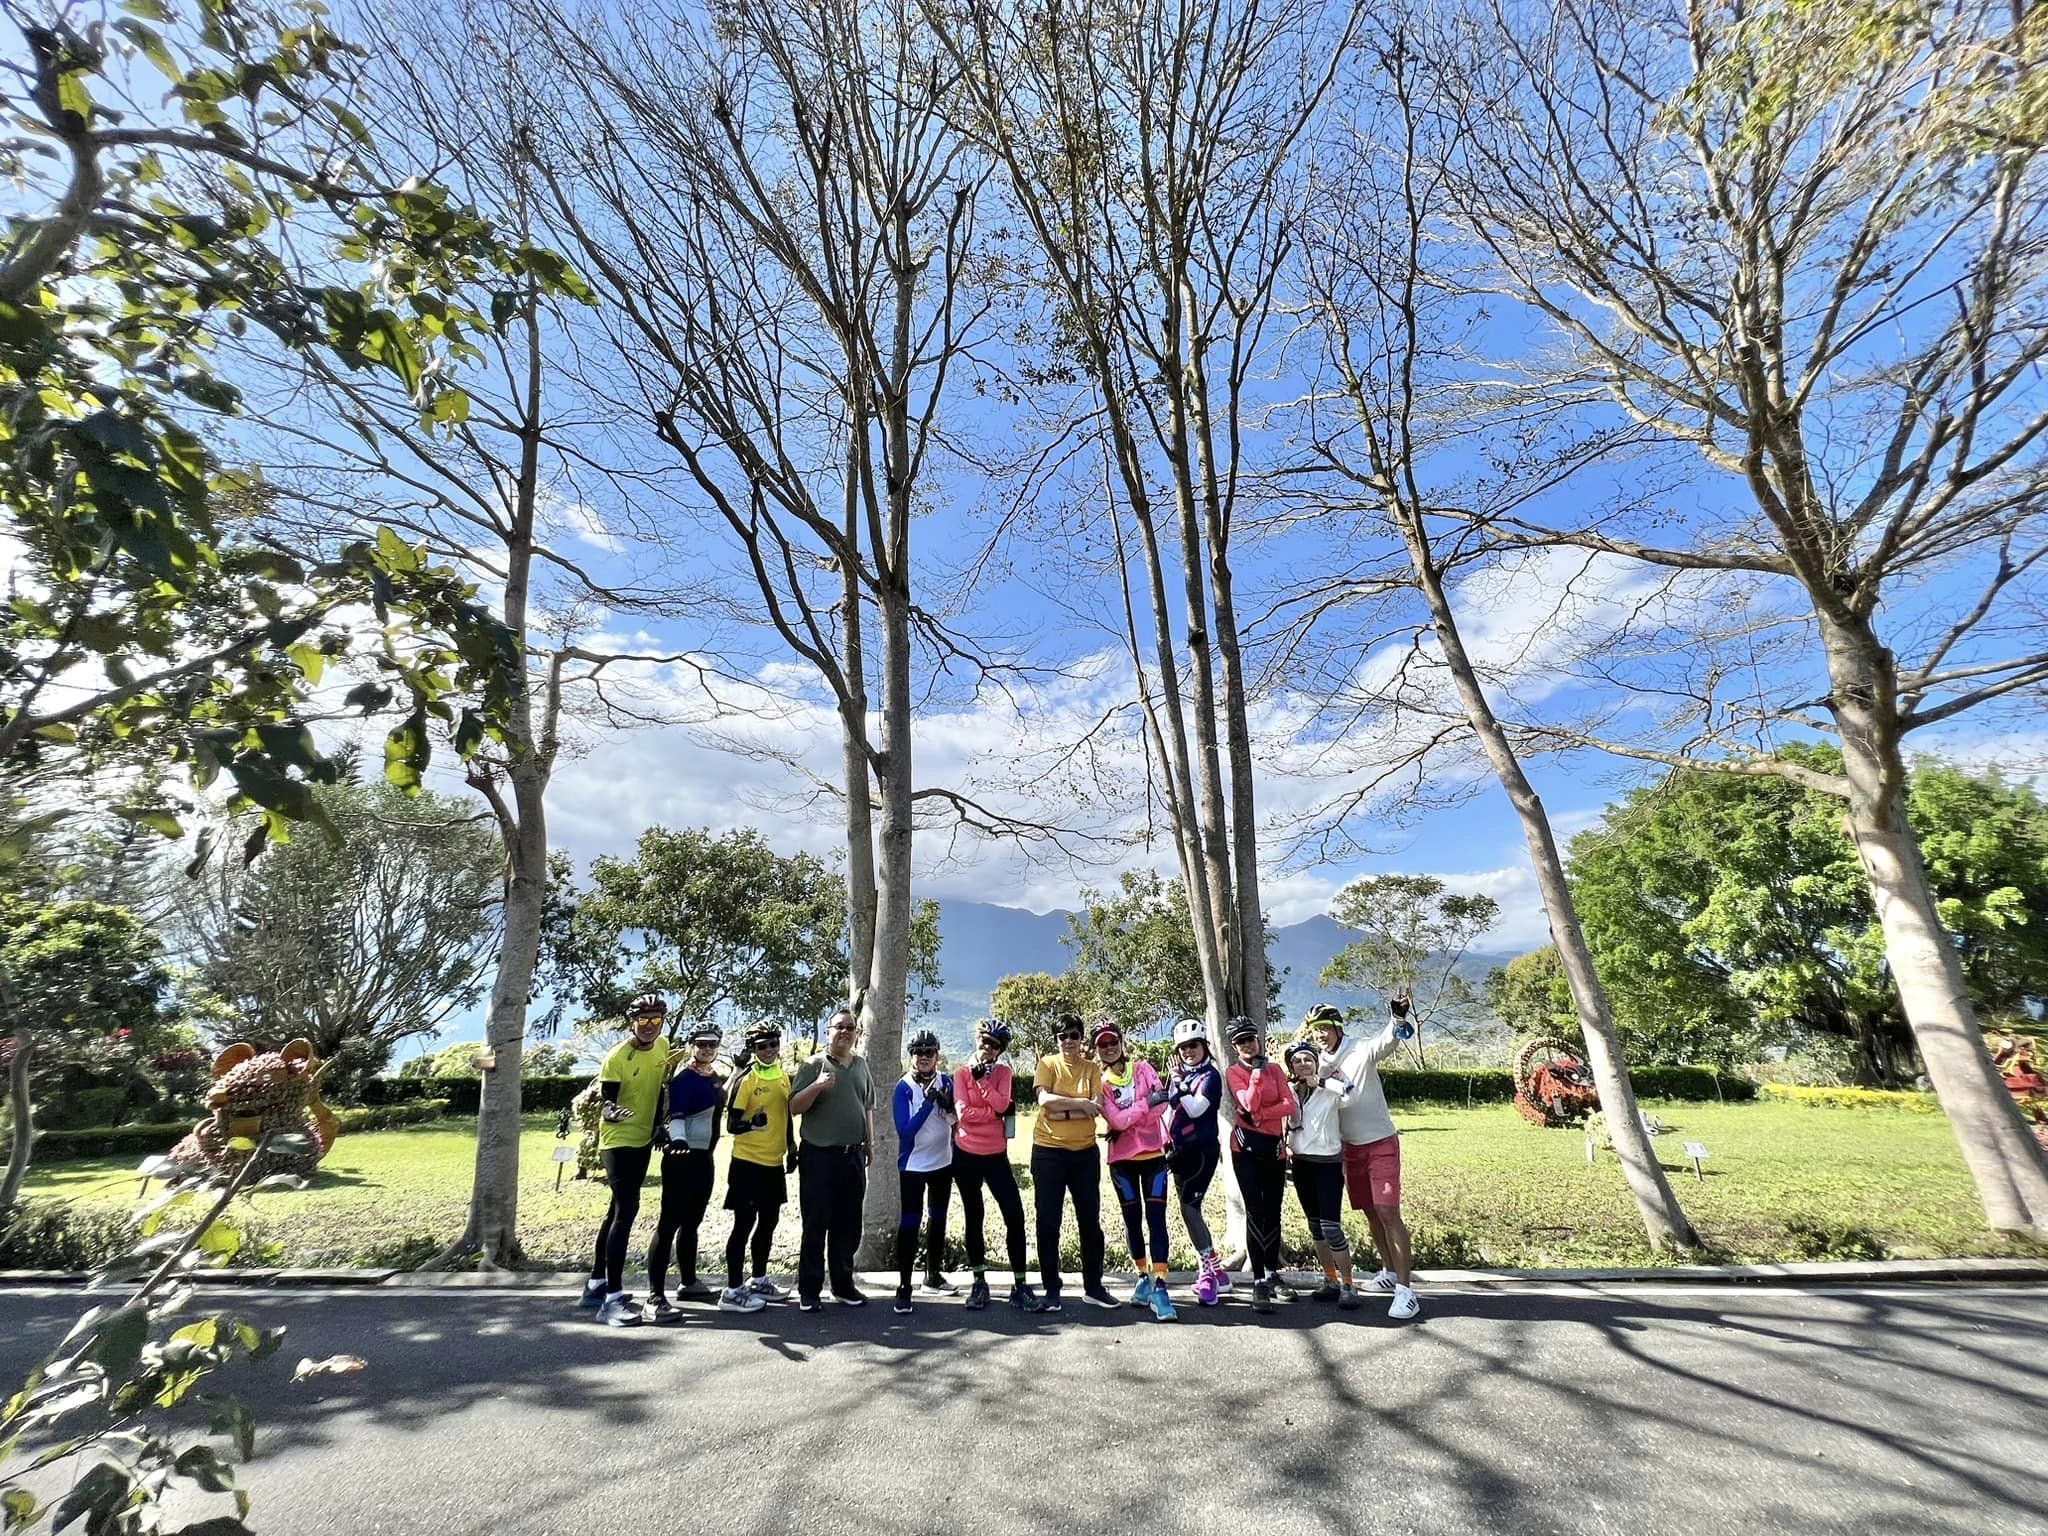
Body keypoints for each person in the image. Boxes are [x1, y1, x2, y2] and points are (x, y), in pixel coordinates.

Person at [1307, 998, 1420, 1320]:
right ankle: (1388, 1272)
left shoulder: (1361, 1049)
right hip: (1349, 1148)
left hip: (1380, 1142)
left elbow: (1388, 1041)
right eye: (1315, 1030)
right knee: (1370, 1212)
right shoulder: (1317, 1063)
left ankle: (1406, 1291)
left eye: (1325, 1028)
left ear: (1337, 1027)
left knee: (1388, 1212)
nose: (1321, 1035)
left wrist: (1397, 1017)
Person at [582, 993, 676, 1327]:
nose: (650, 1026)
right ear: (631, 1022)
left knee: (615, 1211)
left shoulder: (663, 1046)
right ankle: (611, 1301)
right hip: (618, 1141)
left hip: (644, 1139)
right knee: (626, 1211)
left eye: (656, 1020)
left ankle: (596, 1283)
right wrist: (612, 1112)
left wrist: (659, 1124)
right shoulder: (617, 1057)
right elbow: (606, 1103)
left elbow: (660, 1087)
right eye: (643, 1020)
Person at [788, 1005, 875, 1311]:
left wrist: (870, 1142)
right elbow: (794, 1107)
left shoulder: (861, 1065)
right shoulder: (813, 1065)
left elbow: (867, 1106)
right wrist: (817, 1086)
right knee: (816, 1223)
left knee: (848, 1225)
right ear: (828, 1032)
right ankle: (810, 1291)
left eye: (850, 1028)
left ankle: (843, 1286)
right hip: (819, 1157)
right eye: (839, 1027)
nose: (845, 1032)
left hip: (853, 1156)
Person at [1029, 1014, 1116, 1312]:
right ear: (1056, 1039)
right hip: (1048, 1152)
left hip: (1085, 1154)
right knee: (1048, 1222)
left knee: (1090, 1221)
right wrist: (1081, 1105)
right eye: (1062, 1036)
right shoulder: (1047, 1064)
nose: (1068, 1041)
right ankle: (1051, 1289)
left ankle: (1094, 1287)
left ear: (1082, 1039)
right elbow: (1044, 1102)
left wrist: (1062, 1109)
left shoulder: (1091, 1068)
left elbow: (1097, 1107)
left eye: (1074, 1035)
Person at [951, 1020, 1038, 1311]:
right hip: (966, 1154)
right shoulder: (961, 1073)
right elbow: (963, 1114)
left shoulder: (1004, 1073)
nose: (987, 1048)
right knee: (974, 1216)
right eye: (984, 1041)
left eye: (995, 1045)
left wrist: (983, 1084)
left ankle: (1020, 1284)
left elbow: (1003, 1106)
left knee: (1014, 1215)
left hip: (996, 1155)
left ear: (1000, 1051)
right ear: (977, 1039)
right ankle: (979, 1282)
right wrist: (992, 1111)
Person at [645, 1021, 726, 1321]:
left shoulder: (713, 1078)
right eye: (701, 1043)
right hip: (681, 1157)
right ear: (692, 1045)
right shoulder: (683, 1079)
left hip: (704, 1158)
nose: (706, 1049)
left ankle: (689, 1282)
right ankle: (655, 1296)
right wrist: (678, 1139)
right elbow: (677, 1115)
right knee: (669, 1224)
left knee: (692, 1222)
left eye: (712, 1044)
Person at [1096, 1022, 1176, 1322]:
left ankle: (1160, 1286)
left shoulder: (1143, 1069)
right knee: (1132, 1220)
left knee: (1157, 1219)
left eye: (1112, 1042)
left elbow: (1162, 1104)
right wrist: (1143, 1106)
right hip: (1121, 1161)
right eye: (1103, 1045)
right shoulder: (1101, 1083)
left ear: (1121, 1042)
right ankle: (1142, 1276)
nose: (1109, 1048)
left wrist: (1129, 1117)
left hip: (1153, 1155)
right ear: (1097, 1050)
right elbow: (1115, 1122)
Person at [719, 1020, 794, 1314]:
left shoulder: (783, 1076)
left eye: (774, 1044)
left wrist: (792, 1147)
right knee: (743, 1225)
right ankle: (732, 1290)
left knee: (769, 1222)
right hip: (747, 1163)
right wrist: (751, 1123)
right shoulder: (746, 1080)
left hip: (773, 1163)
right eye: (763, 1046)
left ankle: (759, 1280)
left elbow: (786, 1116)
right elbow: (731, 1124)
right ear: (753, 1049)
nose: (770, 1050)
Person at [1223, 1015, 1293, 1314]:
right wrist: (1254, 1075)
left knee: (1273, 1210)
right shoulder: (1234, 1072)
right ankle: (1259, 1280)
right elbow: (1248, 1104)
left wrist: (1262, 1115)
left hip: (1274, 1148)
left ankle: (1273, 1272)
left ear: (1258, 1039)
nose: (1248, 1045)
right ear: (1234, 1047)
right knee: (1255, 1211)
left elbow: (1289, 1105)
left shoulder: (1275, 1069)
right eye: (1241, 1042)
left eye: (1250, 1039)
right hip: (1245, 1149)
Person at [1284, 1038, 1360, 1312]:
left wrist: (1323, 1082)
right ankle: (1330, 1280)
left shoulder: (1331, 1086)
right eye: (1296, 1061)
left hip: (1328, 1164)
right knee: (1315, 1226)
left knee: (1331, 1227)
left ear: (1316, 1062)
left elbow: (1351, 1094)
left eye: (1308, 1059)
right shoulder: (1291, 1091)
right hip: (1301, 1164)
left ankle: (1348, 1284)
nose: (1303, 1064)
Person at [891, 1029, 958, 1314]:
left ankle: (932, 1276)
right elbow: (905, 1132)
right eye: (918, 1052)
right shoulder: (904, 1087)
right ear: (911, 1057)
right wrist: (929, 1102)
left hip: (942, 1161)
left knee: (938, 1219)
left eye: (929, 1052)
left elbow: (956, 1120)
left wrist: (948, 1106)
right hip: (914, 1165)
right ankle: (904, 1286)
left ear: (937, 1055)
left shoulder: (946, 1081)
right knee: (910, 1223)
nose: (923, 1057)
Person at [1163, 1017, 1228, 1306]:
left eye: (1193, 1045)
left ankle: (1207, 1275)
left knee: (1190, 1210)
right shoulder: (1181, 1074)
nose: (1188, 1051)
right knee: (1189, 1210)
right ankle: (1218, 1271)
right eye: (1183, 1047)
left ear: (1204, 1046)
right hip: (1179, 1153)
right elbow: (1169, 1108)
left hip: (1202, 1152)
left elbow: (1195, 1109)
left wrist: (1178, 1082)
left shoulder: (1210, 1076)